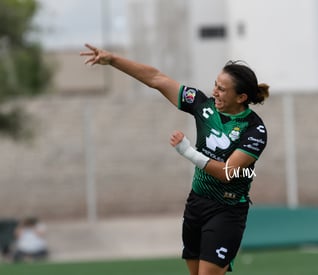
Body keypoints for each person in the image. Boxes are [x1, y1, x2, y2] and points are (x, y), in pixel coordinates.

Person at [80, 43, 269, 275]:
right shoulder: (203, 106)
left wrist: (187, 151)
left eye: (222, 89)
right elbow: (156, 78)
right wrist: (113, 61)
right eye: (215, 85)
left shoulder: (254, 130)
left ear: (241, 97)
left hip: (227, 210)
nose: (215, 92)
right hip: (197, 204)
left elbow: (227, 173)